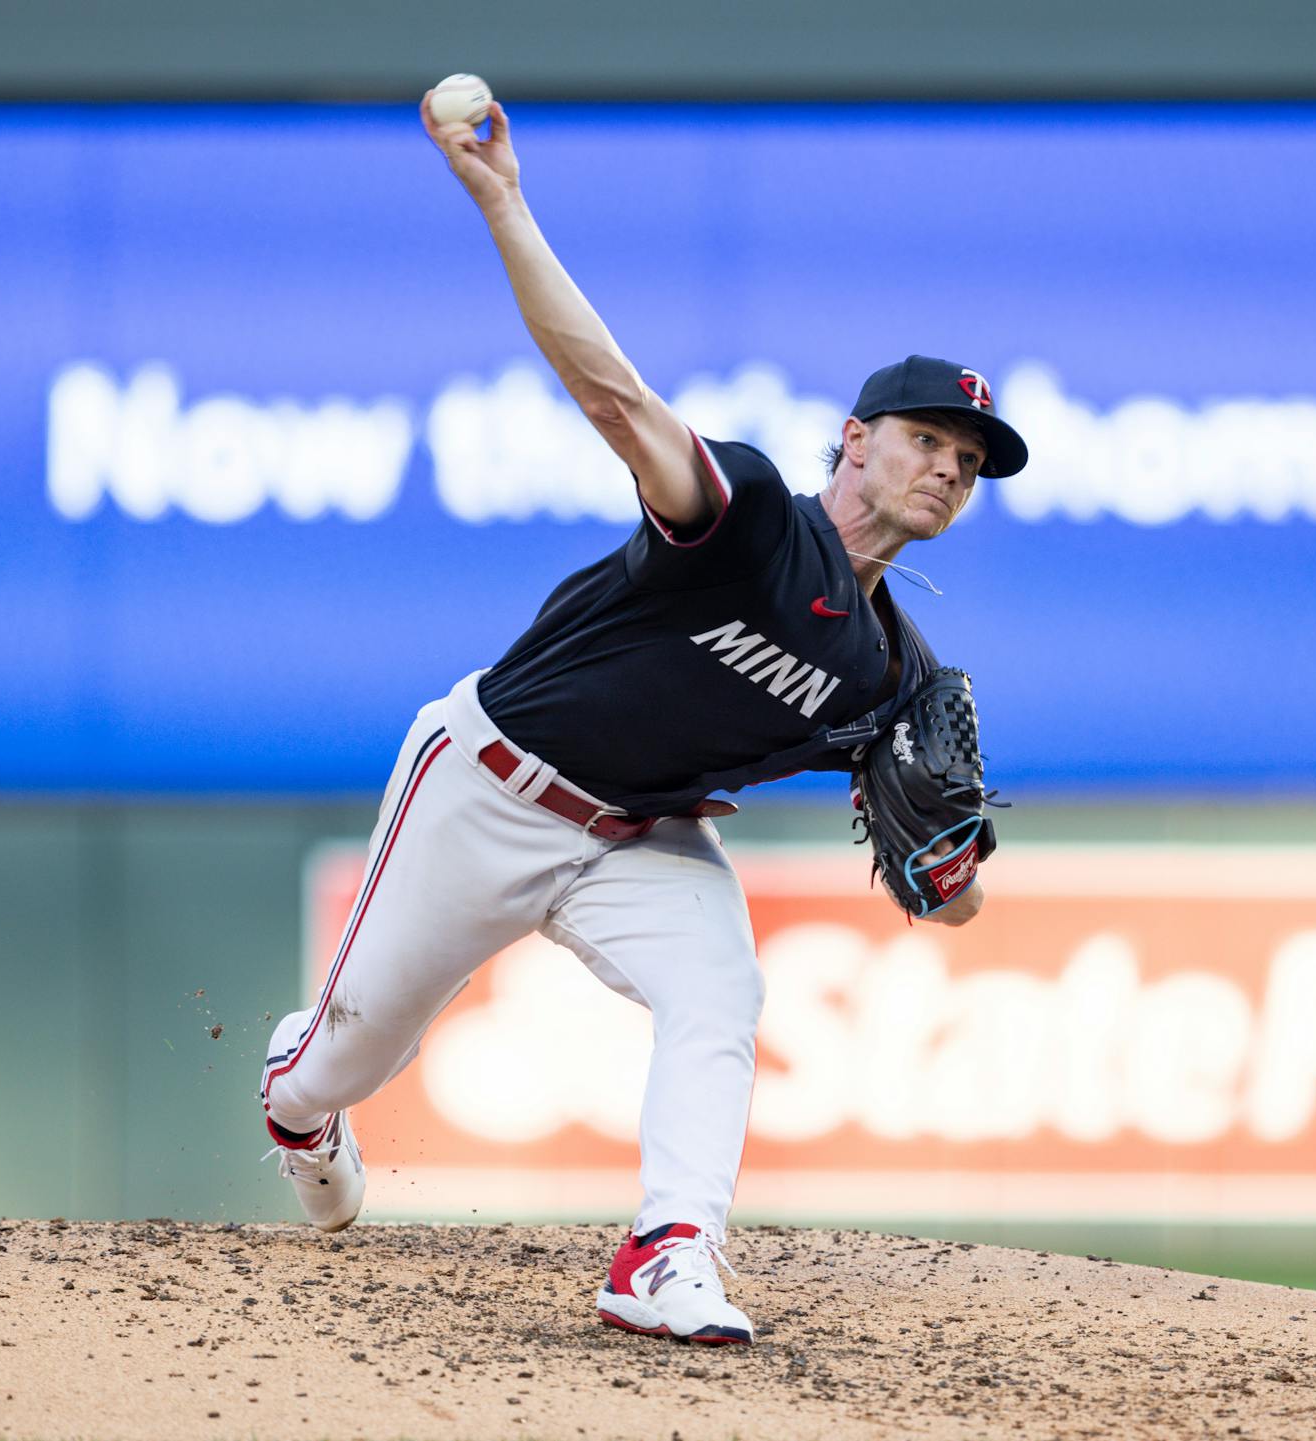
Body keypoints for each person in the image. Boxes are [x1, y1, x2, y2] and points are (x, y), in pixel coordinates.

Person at [256, 91, 1029, 1346]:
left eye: (969, 458)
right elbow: (615, 397)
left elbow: (949, 899)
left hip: (638, 837)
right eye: (927, 436)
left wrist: (954, 876)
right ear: (855, 441)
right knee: (337, 1064)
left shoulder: (893, 673)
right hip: (489, 784)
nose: (949, 465)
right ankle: (300, 1104)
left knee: (722, 988)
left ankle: (668, 1250)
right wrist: (503, 200)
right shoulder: (751, 519)